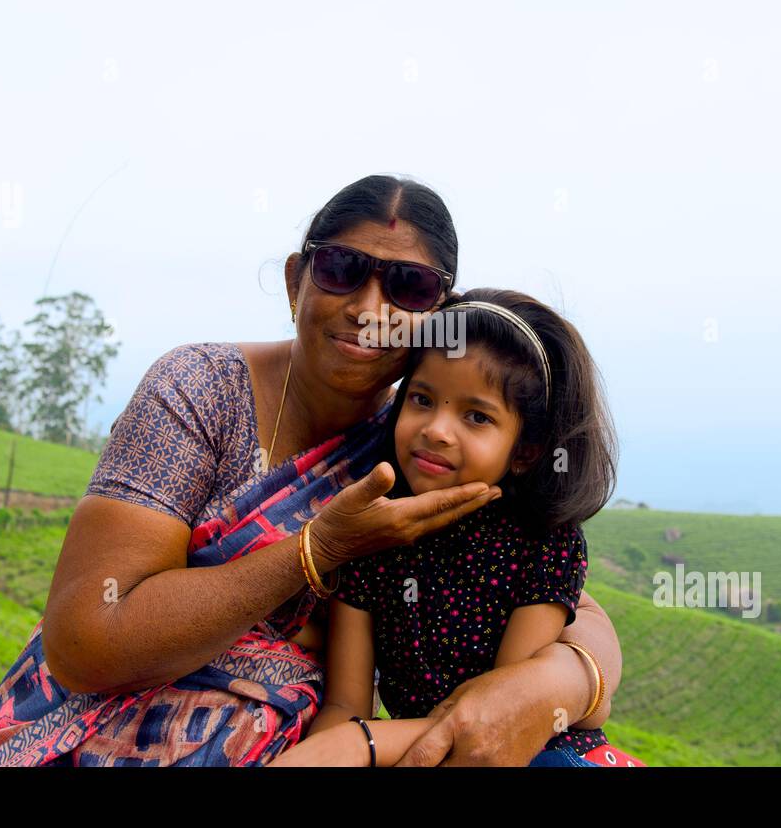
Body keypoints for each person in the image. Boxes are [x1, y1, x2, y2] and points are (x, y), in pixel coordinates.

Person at [0, 174, 623, 767]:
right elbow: (87, 641)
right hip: (115, 733)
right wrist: (316, 551)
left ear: (438, 323)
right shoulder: (200, 393)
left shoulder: (418, 454)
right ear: (298, 279)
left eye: (409, 287)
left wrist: (551, 685)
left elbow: (561, 598)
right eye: (341, 270)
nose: (369, 307)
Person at [267, 288, 641, 768]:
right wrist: (331, 746)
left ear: (525, 450)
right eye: (422, 399)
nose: (437, 429)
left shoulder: (542, 543)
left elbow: (499, 715)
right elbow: (346, 703)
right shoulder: (373, 535)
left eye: (476, 416)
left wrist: (358, 744)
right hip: (417, 752)